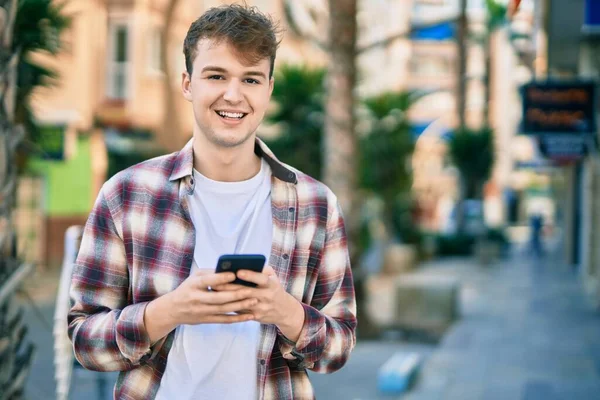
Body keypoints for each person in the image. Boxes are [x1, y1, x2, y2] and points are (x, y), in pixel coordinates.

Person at [68, 4, 356, 400]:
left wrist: (285, 312)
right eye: (216, 75)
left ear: (269, 88)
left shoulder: (316, 205)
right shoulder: (126, 194)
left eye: (251, 79)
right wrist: (167, 312)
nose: (233, 95)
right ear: (188, 83)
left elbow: (338, 348)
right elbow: (84, 342)